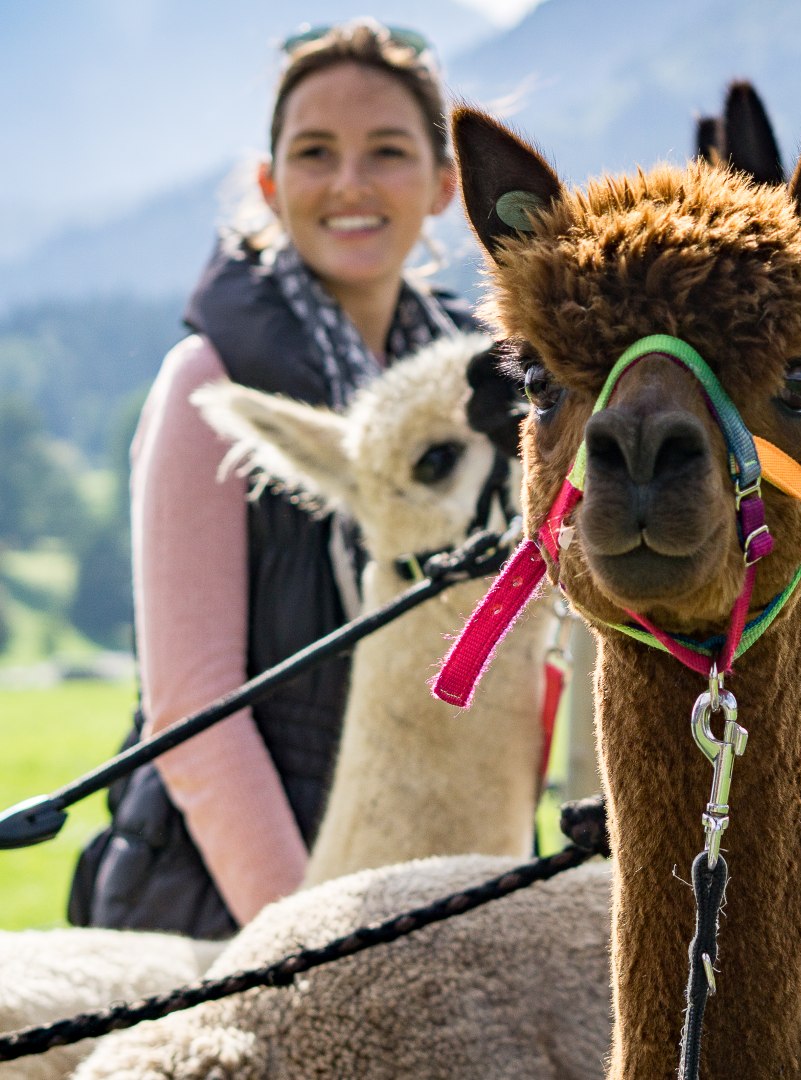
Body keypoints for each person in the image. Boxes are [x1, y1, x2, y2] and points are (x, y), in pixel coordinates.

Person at [69, 20, 476, 938]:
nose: (349, 184)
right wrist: (309, 944)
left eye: (387, 152)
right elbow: (193, 711)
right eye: (315, 153)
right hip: (223, 910)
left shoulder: (474, 395)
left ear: (446, 185)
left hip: (419, 888)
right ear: (269, 182)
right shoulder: (209, 386)